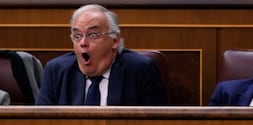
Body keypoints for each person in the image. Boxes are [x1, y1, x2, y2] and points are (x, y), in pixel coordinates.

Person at [36, 4, 167, 106]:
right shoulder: (56, 70)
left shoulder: (140, 70)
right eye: (77, 36)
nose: (83, 43)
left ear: (114, 41)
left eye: (92, 35)